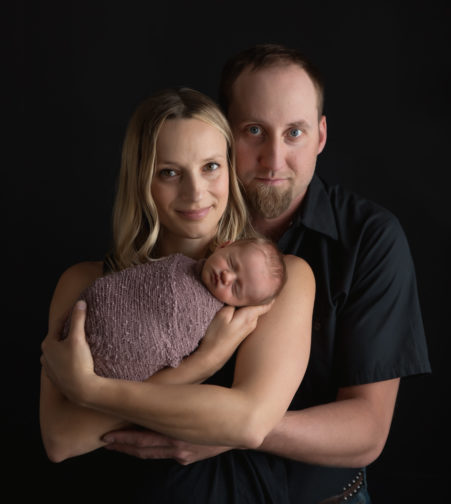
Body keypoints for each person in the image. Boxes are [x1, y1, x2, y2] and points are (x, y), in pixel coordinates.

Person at [102, 44, 432, 503]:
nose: (274, 159)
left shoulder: (369, 239)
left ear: (320, 136)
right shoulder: (185, 217)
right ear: (224, 133)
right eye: (254, 131)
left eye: (294, 132)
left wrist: (231, 429)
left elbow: (367, 432)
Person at [39, 86, 315, 503]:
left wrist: (91, 392)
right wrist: (204, 362)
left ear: (229, 169)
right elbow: (61, 439)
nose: (195, 193)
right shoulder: (84, 282)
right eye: (169, 173)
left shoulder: (276, 281)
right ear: (141, 180)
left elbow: (249, 421)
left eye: (211, 167)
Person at [62, 237, 287, 382]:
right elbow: (133, 282)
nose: (227, 277)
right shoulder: (178, 264)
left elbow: (177, 351)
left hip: (110, 369)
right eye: (231, 263)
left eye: (236, 288)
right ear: (224, 245)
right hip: (89, 316)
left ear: (239, 305)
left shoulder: (212, 318)